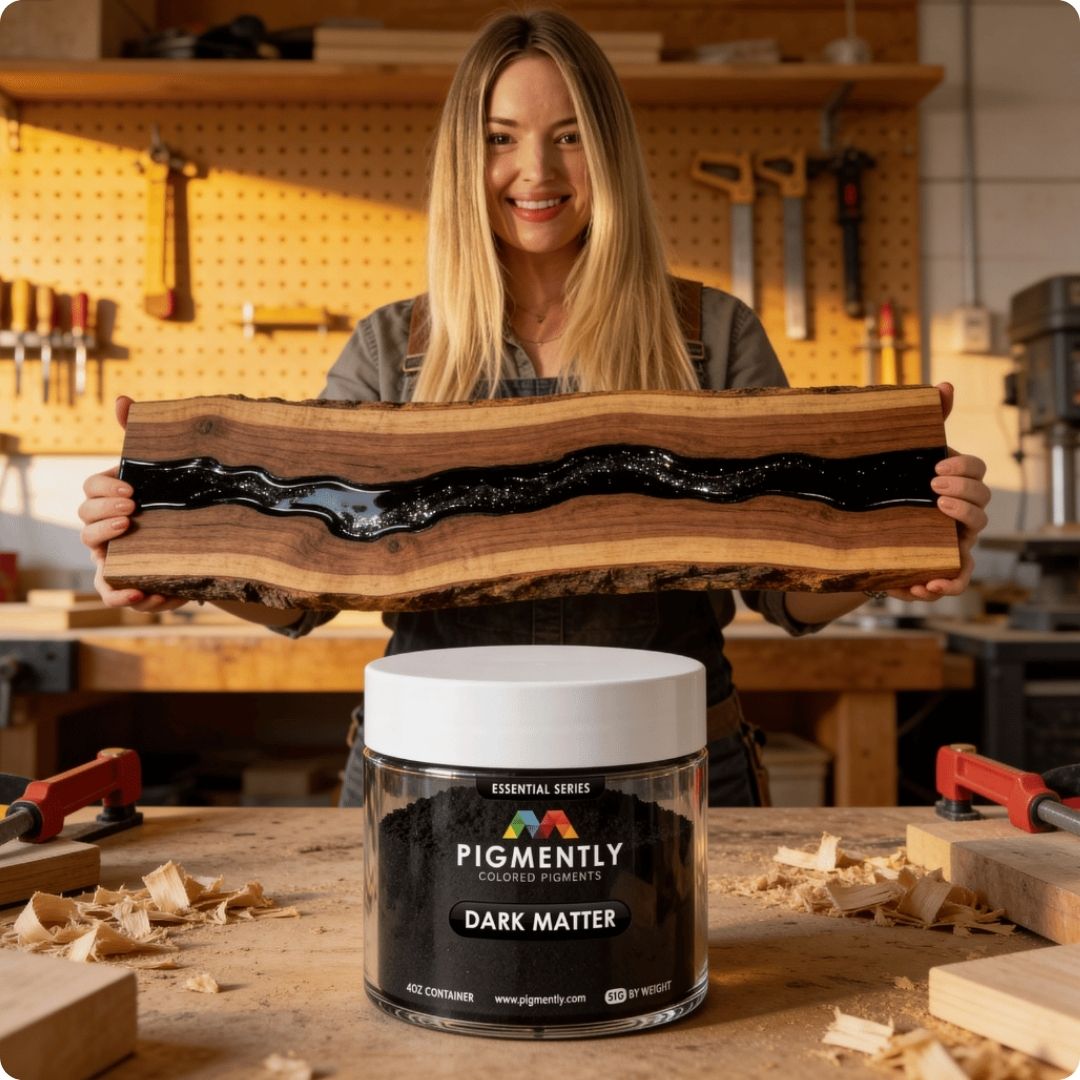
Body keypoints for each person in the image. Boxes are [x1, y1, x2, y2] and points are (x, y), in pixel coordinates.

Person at [78, 9, 991, 808]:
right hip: (440, 762)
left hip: (664, 761)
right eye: (500, 137)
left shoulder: (709, 335)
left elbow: (785, 594)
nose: (534, 171)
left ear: (611, 151)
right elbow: (300, 591)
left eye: (569, 135)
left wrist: (898, 543)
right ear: (463, 157)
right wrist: (172, 554)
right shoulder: (394, 349)